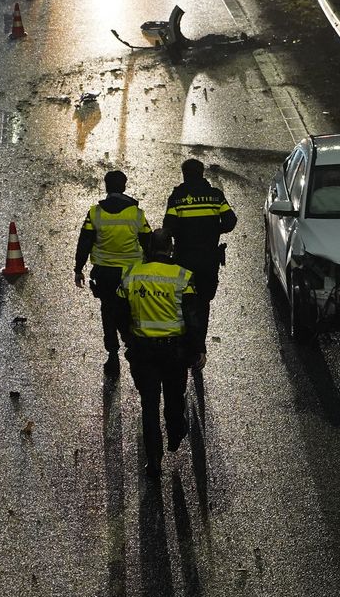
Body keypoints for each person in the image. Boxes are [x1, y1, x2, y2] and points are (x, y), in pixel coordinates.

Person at [115, 233, 206, 479]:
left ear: (149, 249)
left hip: (143, 352)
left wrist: (128, 339)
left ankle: (154, 461)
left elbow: (120, 314)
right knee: (174, 398)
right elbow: (192, 317)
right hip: (175, 352)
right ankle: (175, 433)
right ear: (171, 248)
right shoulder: (182, 276)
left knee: (149, 405)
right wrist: (198, 348)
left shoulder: (131, 276)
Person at [75, 170, 152, 381]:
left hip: (105, 273)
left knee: (108, 312)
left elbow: (85, 242)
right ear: (124, 187)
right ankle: (134, 348)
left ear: (106, 187)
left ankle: (113, 355)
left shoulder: (95, 213)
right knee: (134, 310)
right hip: (132, 274)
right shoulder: (137, 214)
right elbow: (149, 242)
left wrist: (78, 268)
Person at [162, 158, 237, 340]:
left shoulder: (177, 198)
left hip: (184, 258)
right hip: (208, 259)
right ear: (202, 173)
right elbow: (230, 221)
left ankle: (185, 339)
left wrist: (184, 231)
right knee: (204, 302)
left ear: (184, 175)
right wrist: (212, 230)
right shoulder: (215, 196)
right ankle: (199, 345)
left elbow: (168, 227)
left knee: (182, 300)